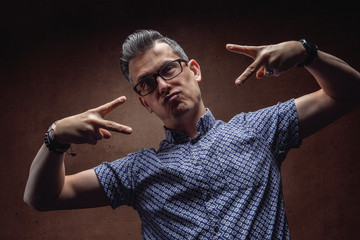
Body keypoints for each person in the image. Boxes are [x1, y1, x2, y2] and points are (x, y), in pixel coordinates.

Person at [24, 29, 360, 239]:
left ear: (193, 70)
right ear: (144, 103)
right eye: (147, 83)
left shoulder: (259, 131)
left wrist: (307, 53)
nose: (163, 85)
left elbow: (349, 92)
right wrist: (55, 139)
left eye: (168, 69)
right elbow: (42, 197)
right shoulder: (137, 172)